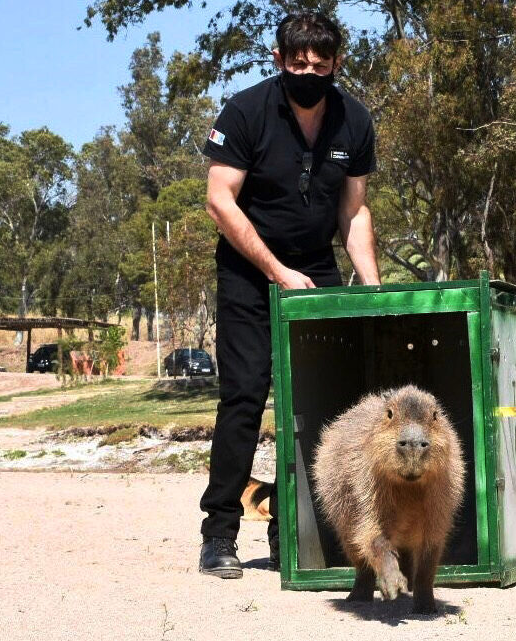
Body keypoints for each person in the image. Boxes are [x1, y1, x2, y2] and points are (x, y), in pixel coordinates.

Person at [197, 11, 380, 578]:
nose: (308, 72)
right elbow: (219, 201)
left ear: (336, 65)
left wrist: (371, 292)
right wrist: (275, 270)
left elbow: (353, 212)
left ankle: (292, 533)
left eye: (320, 65)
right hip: (250, 274)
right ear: (279, 60)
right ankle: (219, 533)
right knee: (245, 399)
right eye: (297, 63)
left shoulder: (354, 120)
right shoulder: (246, 111)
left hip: (315, 271)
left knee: (317, 404)